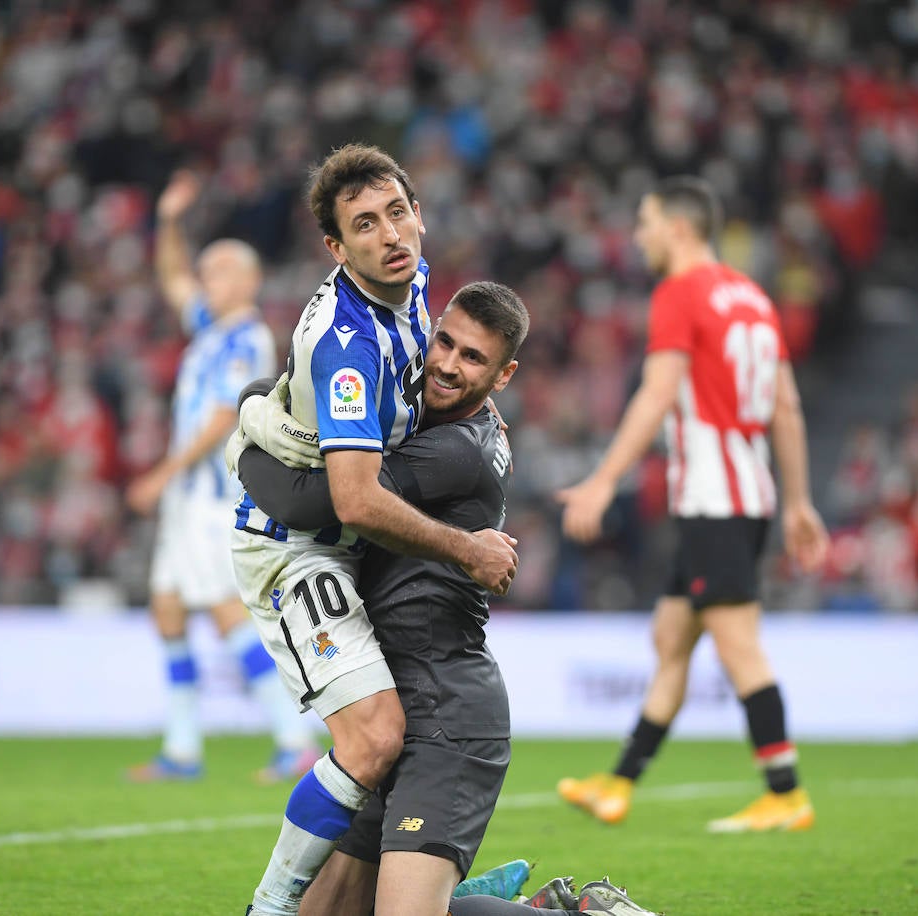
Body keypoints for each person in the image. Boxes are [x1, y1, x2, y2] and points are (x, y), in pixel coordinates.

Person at [239, 284, 659, 916]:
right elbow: (322, 383)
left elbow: (316, 500)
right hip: (386, 717)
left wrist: (245, 430)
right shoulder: (425, 416)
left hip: (445, 716)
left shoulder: (453, 450)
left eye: (473, 359)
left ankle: (572, 915)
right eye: (445, 342)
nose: (447, 365)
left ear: (504, 375)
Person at [229, 144, 519, 916]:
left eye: (397, 213)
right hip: (296, 549)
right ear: (337, 247)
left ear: (419, 215)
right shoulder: (348, 343)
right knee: (370, 738)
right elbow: (352, 502)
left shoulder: (416, 284)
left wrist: (254, 409)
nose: (389, 234)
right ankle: (268, 906)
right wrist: (468, 547)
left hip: (352, 562)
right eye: (365, 225)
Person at [555, 176, 830, 833]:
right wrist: (797, 500)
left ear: (679, 228)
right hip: (747, 494)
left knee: (739, 648)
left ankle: (785, 792)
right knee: (671, 639)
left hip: (714, 500)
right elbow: (786, 405)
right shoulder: (753, 297)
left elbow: (656, 394)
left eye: (646, 222)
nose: (640, 234)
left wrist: (602, 479)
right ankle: (618, 784)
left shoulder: (680, 292)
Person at [124, 171, 320, 783]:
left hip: (213, 496)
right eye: (205, 272)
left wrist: (162, 472)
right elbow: (171, 276)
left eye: (216, 272)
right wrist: (168, 221)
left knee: (223, 610)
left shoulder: (248, 338)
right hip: (188, 499)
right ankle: (182, 748)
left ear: (246, 280)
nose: (203, 281)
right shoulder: (211, 326)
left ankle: (296, 738)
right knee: (167, 609)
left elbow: (219, 418)